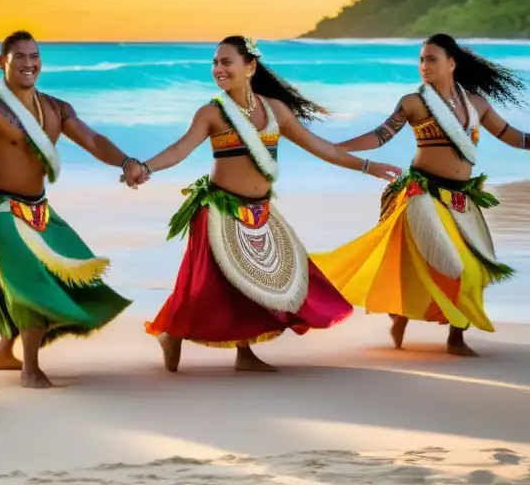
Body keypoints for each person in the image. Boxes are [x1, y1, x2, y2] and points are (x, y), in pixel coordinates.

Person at [123, 37, 400, 373]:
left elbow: (320, 147)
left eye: (227, 62)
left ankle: (245, 353)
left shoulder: (275, 112)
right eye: (215, 63)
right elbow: (179, 149)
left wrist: (368, 167)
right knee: (202, 290)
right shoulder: (212, 113)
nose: (219, 70)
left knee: (260, 283)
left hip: (261, 212)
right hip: (220, 212)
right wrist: (146, 167)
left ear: (250, 67)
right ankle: (170, 335)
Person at [0, 30, 138, 389]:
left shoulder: (57, 108)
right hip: (0, 208)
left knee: (75, 268)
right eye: (20, 57)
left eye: (35, 56)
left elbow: (92, 140)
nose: (29, 63)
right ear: (4, 63)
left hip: (40, 207)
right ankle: (30, 368)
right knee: (30, 279)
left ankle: (4, 350)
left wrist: (125, 161)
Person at [311, 34, 525, 356]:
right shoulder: (414, 102)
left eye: (432, 59)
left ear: (451, 63)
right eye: (422, 59)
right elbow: (380, 136)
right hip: (422, 194)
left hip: (462, 199)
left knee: (475, 268)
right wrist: (335, 148)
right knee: (442, 264)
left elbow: (514, 138)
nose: (424, 65)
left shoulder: (476, 104)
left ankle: (456, 336)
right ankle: (400, 316)